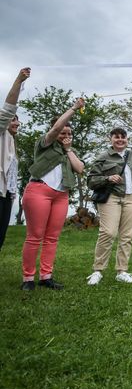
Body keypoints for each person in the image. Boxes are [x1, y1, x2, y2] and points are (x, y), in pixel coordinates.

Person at [20, 98, 85, 291]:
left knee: (52, 237)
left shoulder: (68, 151)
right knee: (35, 236)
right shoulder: (45, 143)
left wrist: (68, 149)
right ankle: (28, 278)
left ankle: (46, 276)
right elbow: (56, 128)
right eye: (63, 132)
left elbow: (80, 168)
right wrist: (74, 108)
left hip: (61, 195)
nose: (65, 135)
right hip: (38, 191)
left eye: (69, 133)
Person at [86, 128, 132, 285]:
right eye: (116, 137)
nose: (120, 140)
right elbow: (91, 181)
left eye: (123, 137)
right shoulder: (103, 157)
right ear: (110, 139)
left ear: (127, 139)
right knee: (108, 232)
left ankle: (122, 271)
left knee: (127, 236)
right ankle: (97, 271)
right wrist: (107, 178)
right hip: (111, 198)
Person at [0, 68, 29, 251]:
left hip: (7, 196)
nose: (17, 123)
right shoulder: (1, 133)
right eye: (13, 120)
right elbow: (7, 110)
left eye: (18, 120)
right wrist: (18, 81)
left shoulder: (11, 140)